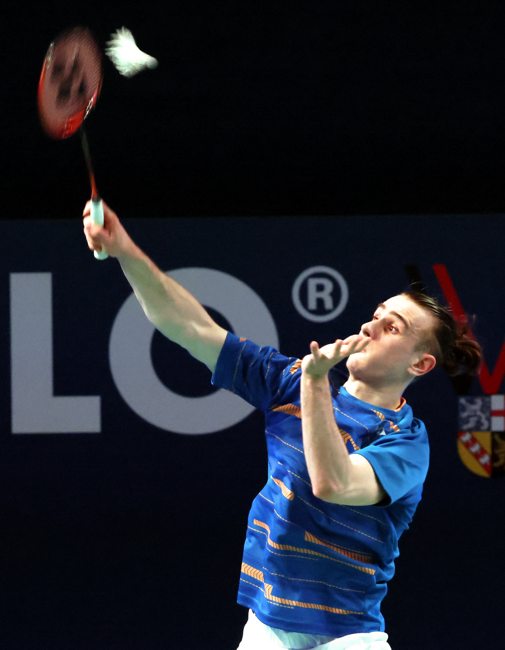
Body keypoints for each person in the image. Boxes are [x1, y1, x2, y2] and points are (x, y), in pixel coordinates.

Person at [83, 200, 482, 650]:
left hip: (347, 636)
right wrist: (125, 250)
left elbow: (333, 483)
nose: (371, 328)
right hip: (267, 626)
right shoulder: (288, 381)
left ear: (421, 363)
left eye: (393, 327)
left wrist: (314, 382)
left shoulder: (405, 441)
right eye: (375, 316)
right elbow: (191, 327)